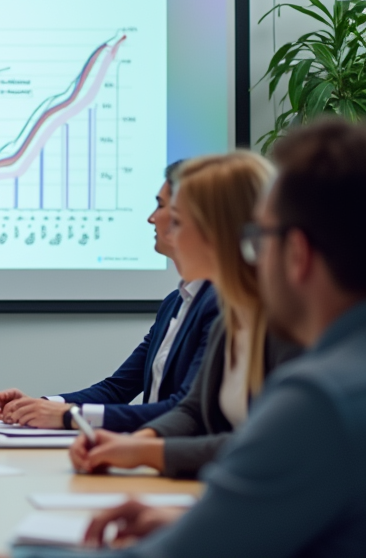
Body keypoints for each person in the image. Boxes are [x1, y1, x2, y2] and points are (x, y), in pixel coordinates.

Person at [0, 120, 366, 558]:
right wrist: (155, 475)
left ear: (297, 255)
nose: (252, 257)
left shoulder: (320, 397)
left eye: (259, 237)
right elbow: (196, 420)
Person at [68, 151, 302, 479]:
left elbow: (269, 446)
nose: (168, 232)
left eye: (177, 221)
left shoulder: (288, 327)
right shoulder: (231, 321)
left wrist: (145, 451)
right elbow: (192, 410)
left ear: (217, 231)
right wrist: (136, 444)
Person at [0, 161, 219, 432]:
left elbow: (184, 411)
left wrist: (69, 416)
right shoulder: (175, 303)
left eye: (161, 206)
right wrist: (41, 405)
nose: (151, 218)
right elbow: (117, 388)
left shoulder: (218, 304)